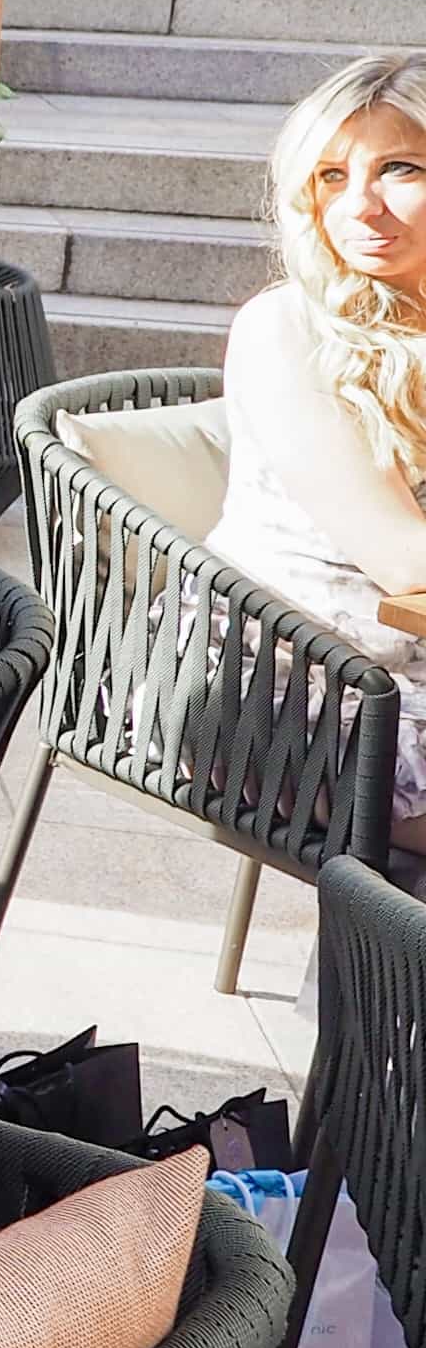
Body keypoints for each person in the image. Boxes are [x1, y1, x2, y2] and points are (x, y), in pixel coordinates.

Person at [218, 45, 426, 846]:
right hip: (293, 685)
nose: (361, 206)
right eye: (333, 176)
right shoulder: (286, 331)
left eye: (400, 169)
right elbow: (406, 560)